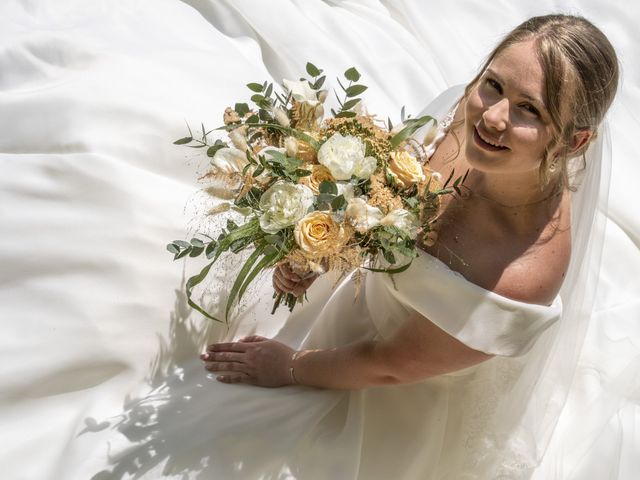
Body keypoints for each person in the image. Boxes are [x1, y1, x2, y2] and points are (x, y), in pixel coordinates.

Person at [93, 14, 619, 479]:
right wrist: (322, 252)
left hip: (390, 382)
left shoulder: (523, 276)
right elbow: (381, 193)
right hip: (355, 303)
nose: (493, 117)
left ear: (573, 141)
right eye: (493, 85)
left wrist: (289, 368)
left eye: (530, 110)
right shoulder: (469, 115)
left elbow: (393, 364)